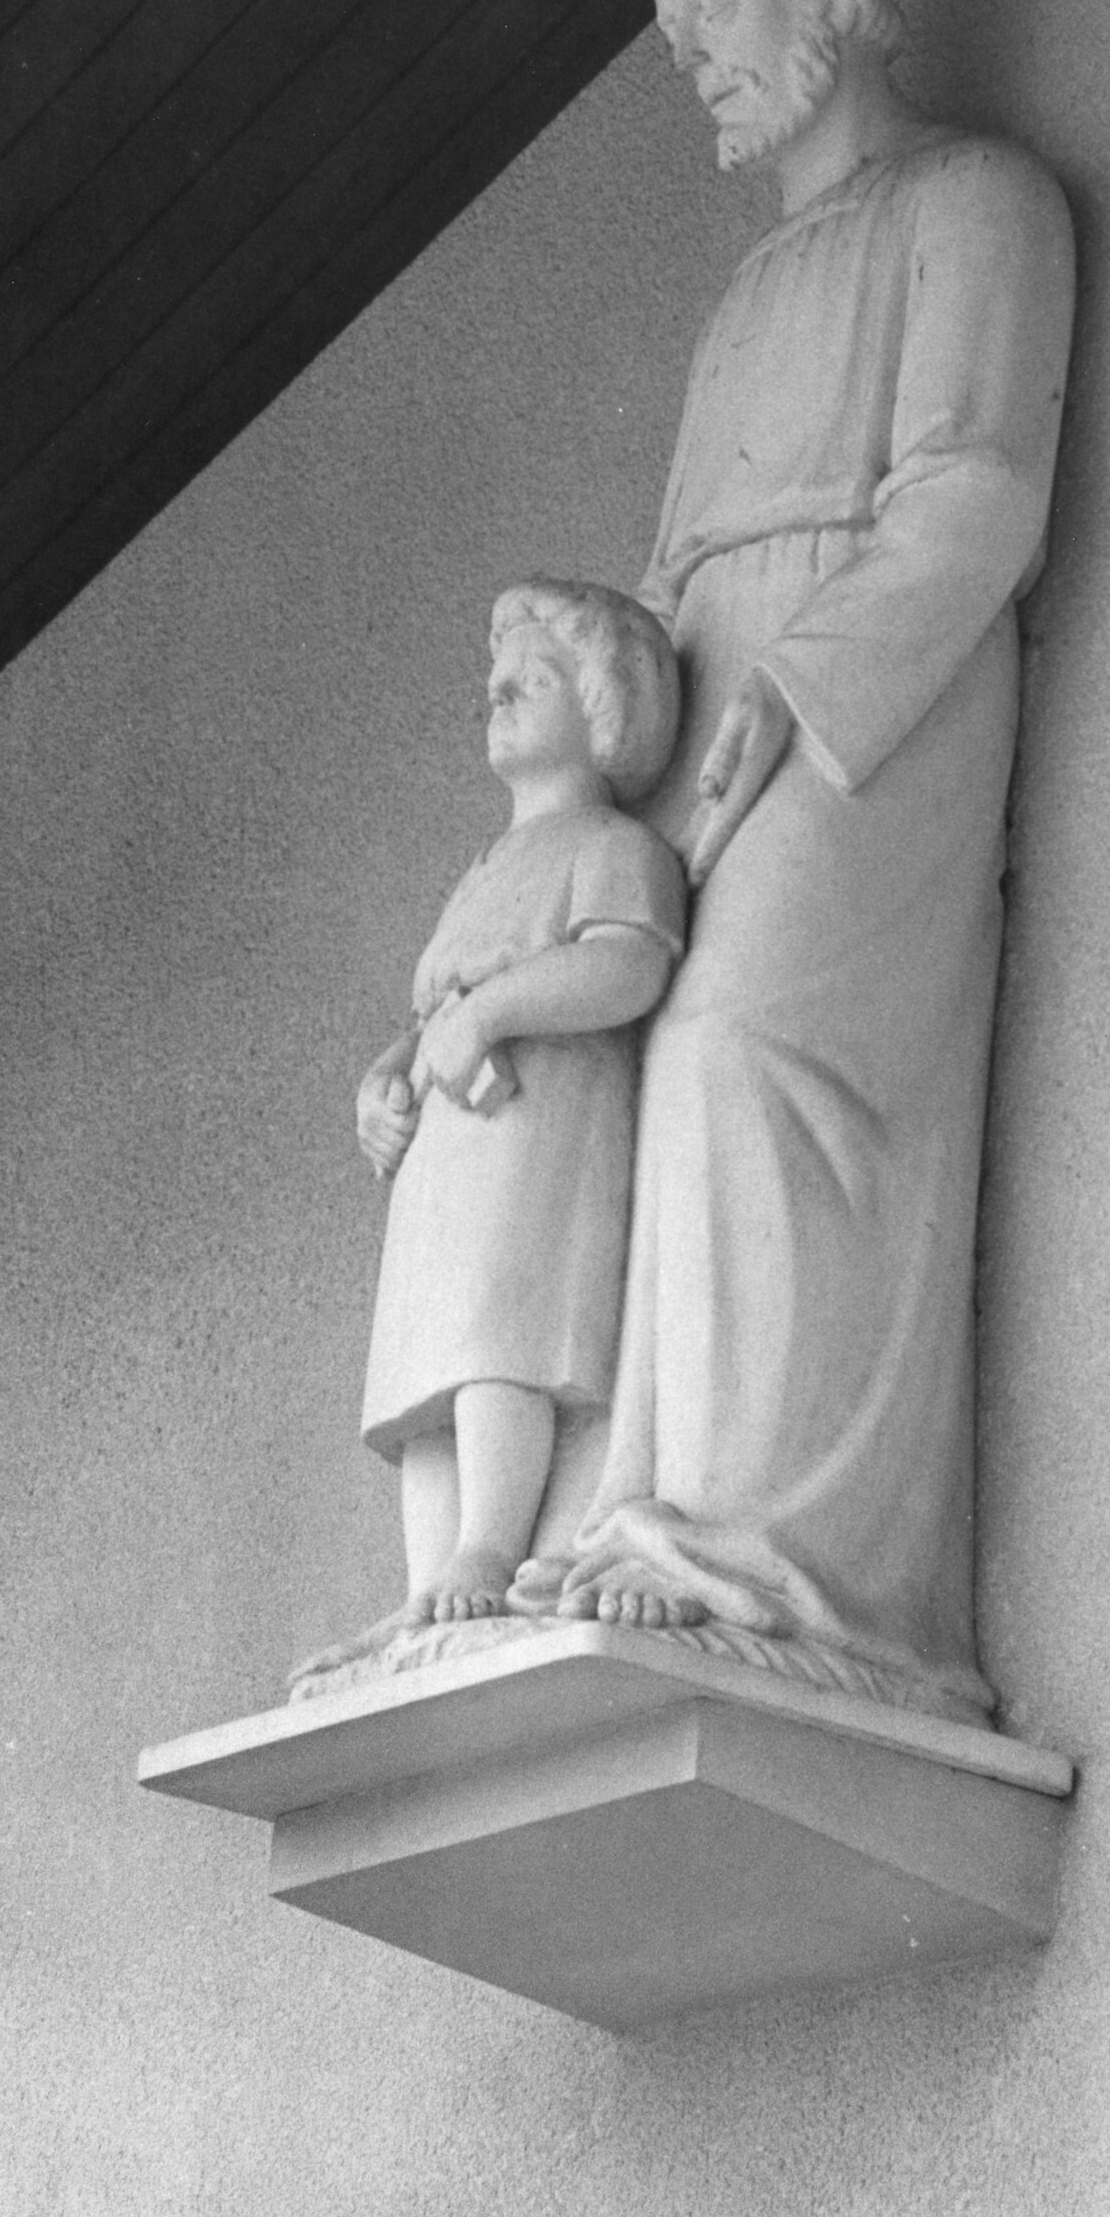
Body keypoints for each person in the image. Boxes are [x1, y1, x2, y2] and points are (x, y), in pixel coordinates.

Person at [538, 0, 1076, 1724]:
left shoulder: (980, 203)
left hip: (875, 700)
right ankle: (650, 1513)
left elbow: (979, 497)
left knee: (744, 1056)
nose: (691, 59)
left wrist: (803, 686)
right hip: (712, 713)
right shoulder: (751, 286)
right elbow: (678, 570)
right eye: (675, 30)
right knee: (630, 1072)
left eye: (715, 13)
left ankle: (781, 1560)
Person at [293, 582, 684, 1690]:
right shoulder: (482, 868)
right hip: (446, 1150)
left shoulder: (608, 844)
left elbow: (627, 961)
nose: (497, 688)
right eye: (495, 673)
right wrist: (384, 1079)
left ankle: (491, 1544)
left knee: (493, 1340)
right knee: (423, 1375)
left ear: (604, 706)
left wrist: (492, 1012)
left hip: (530, 1133)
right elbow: (428, 1013)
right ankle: (430, 1580)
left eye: (535, 673)